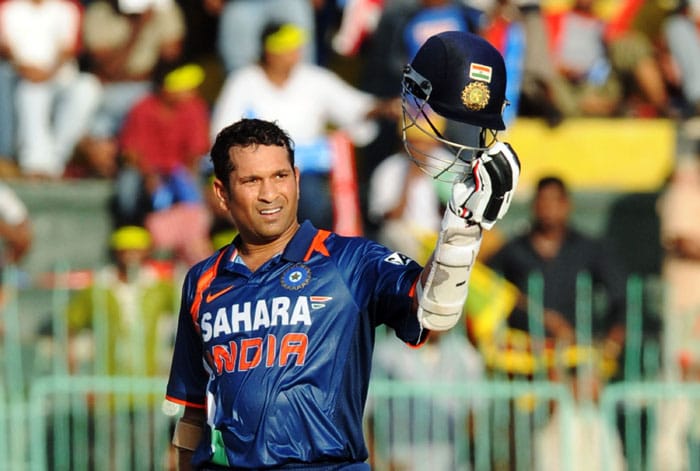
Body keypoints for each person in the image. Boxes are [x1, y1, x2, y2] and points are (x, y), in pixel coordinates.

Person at [165, 30, 521, 470]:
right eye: (252, 181)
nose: (270, 193)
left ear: (297, 179)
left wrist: (462, 229)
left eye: (280, 176)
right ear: (221, 193)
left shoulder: (352, 261)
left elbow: (434, 312)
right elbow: (192, 412)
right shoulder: (202, 280)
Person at [210, 21, 399, 233]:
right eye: (289, 49)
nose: (296, 54)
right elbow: (222, 132)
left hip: (309, 170)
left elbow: (353, 106)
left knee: (313, 201)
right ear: (270, 52)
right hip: (258, 170)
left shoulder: (313, 78)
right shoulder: (243, 81)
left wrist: (384, 108)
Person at [486, 176, 628, 378]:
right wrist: (540, 316)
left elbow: (620, 296)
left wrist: (612, 341)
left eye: (555, 201)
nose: (548, 208)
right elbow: (489, 286)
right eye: (542, 201)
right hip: (523, 358)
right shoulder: (513, 250)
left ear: (567, 205)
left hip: (575, 356)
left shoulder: (588, 249)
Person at [113, 61, 212, 266]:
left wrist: (184, 177)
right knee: (128, 185)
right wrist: (149, 175)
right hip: (148, 173)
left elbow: (196, 151)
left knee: (197, 186)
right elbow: (130, 152)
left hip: (179, 173)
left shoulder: (194, 107)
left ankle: (194, 239)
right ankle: (132, 230)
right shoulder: (142, 109)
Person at [79, 0, 186, 178]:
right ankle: (103, 168)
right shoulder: (100, 12)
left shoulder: (163, 7)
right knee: (97, 125)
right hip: (106, 90)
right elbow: (110, 69)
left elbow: (172, 55)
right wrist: (138, 27)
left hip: (147, 88)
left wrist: (159, 23)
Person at [0, 0, 102, 179]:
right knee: (31, 92)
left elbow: (68, 49)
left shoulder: (66, 8)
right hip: (21, 75)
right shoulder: (10, 8)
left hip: (59, 74)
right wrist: (27, 70)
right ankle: (34, 162)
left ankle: (56, 161)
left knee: (88, 88)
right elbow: (6, 48)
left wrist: (47, 73)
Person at [63, 225, 177, 376]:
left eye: (137, 250)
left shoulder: (161, 288)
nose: (131, 256)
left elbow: (188, 314)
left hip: (150, 381)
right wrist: (71, 359)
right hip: (107, 383)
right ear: (115, 253)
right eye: (125, 251)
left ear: (148, 252)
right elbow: (68, 323)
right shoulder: (98, 288)